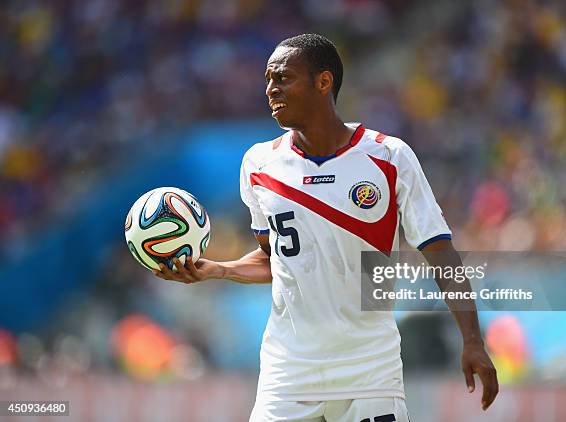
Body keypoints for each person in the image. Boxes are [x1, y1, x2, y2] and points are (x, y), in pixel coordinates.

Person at [153, 33, 498, 422]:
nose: (270, 89)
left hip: (369, 374)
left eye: (282, 77)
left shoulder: (388, 156)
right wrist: (219, 269)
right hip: (288, 376)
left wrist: (472, 340)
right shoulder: (258, 164)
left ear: (323, 81)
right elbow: (278, 260)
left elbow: (441, 255)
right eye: (268, 79)